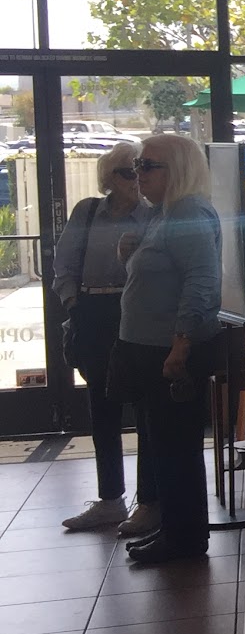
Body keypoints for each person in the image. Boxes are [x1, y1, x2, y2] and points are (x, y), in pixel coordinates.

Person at [111, 133, 221, 567]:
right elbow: (156, 277)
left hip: (171, 350)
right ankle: (175, 527)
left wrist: (181, 342)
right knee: (163, 446)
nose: (138, 174)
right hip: (149, 347)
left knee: (176, 447)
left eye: (148, 165)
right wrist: (129, 256)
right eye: (137, 166)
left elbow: (201, 280)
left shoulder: (188, 211)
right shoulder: (164, 213)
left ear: (178, 170)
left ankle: (185, 538)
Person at [54, 142, 157, 535]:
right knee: (102, 408)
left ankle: (149, 502)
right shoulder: (87, 211)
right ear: (109, 177)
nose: (136, 179)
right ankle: (111, 499)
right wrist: (73, 304)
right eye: (128, 172)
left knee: (146, 410)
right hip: (92, 313)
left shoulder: (152, 214)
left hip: (134, 311)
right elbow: (64, 264)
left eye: (140, 170)